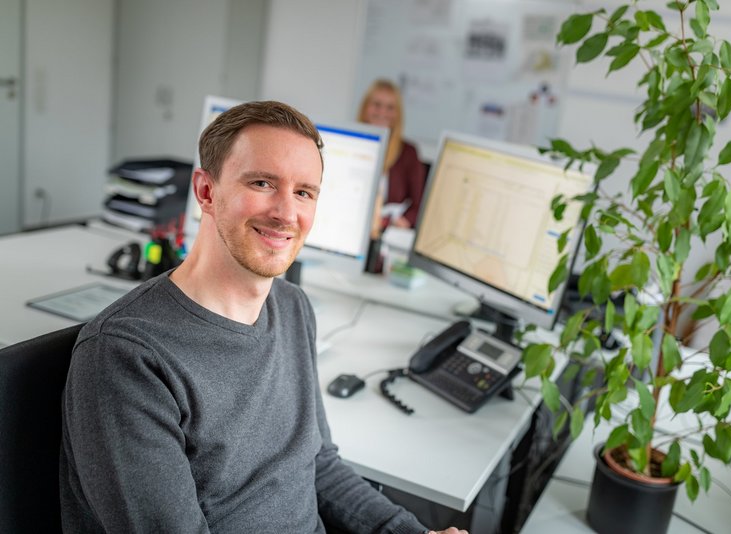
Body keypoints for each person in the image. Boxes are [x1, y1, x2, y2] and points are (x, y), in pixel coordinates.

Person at [60, 100, 467, 534]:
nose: (286, 213)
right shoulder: (125, 355)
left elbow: (320, 466)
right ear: (206, 192)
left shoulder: (293, 308)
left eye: (304, 192)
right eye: (262, 182)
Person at [358, 79, 426, 230]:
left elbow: (419, 204)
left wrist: (402, 222)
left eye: (390, 108)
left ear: (398, 114)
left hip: (389, 230)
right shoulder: (351, 144)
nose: (382, 112)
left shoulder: (409, 152)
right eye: (377, 105)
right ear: (365, 108)